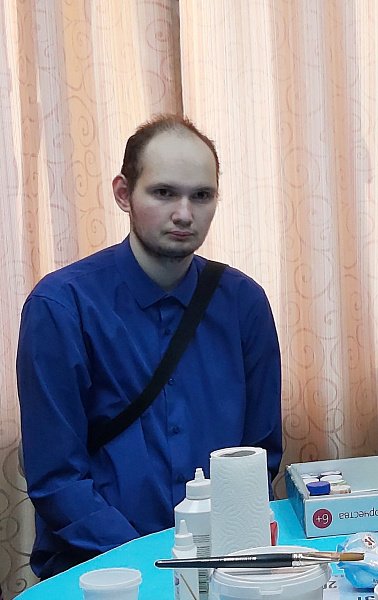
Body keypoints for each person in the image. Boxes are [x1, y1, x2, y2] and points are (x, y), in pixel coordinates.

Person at [16, 115, 283, 578]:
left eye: (202, 196)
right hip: (100, 568)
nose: (184, 214)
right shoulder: (60, 306)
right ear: (124, 194)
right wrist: (150, 563)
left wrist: (222, 554)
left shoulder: (244, 304)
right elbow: (57, 479)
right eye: (163, 193)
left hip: (221, 566)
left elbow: (258, 456)